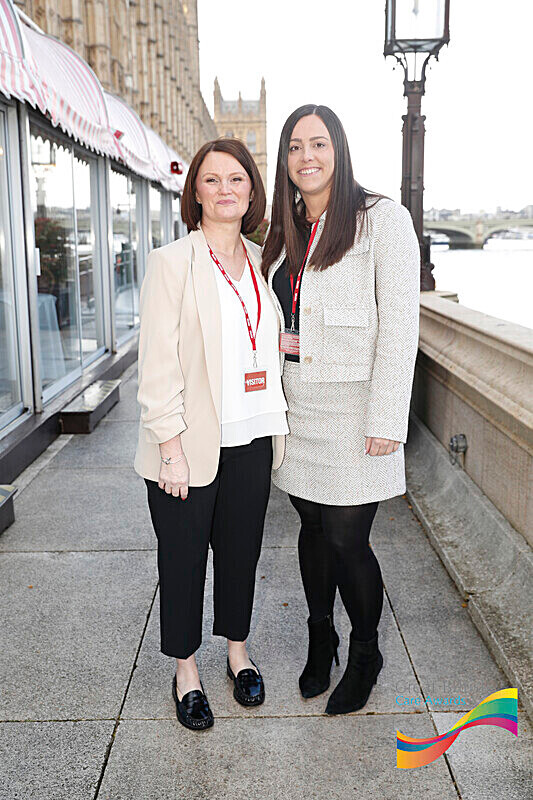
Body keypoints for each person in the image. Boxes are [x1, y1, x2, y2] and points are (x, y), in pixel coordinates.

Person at [261, 105, 420, 715]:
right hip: (298, 407)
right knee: (311, 526)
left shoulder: (383, 219)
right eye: (295, 146)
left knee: (350, 537)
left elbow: (401, 327)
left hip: (357, 409)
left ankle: (364, 651)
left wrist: (388, 419)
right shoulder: (286, 226)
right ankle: (319, 635)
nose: (306, 156)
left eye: (318, 143)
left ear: (339, 149)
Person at [134, 138, 288, 731]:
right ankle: (187, 670)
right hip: (187, 446)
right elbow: (158, 364)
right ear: (194, 192)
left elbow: (245, 335)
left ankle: (237, 653)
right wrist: (169, 449)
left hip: (250, 436)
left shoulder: (259, 260)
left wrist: (277, 345)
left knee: (241, 554)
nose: (226, 189)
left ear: (252, 191)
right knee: (182, 559)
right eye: (212, 180)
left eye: (237, 180)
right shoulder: (173, 262)